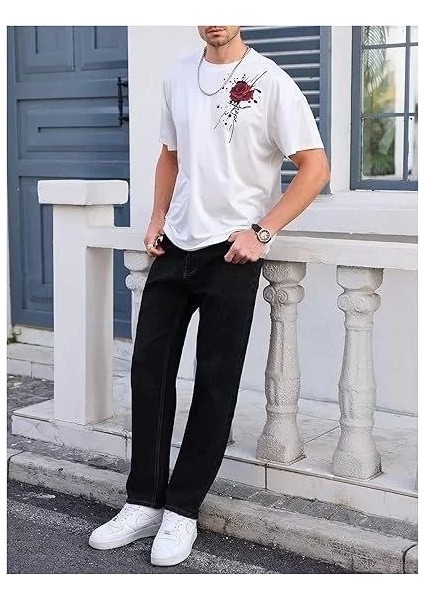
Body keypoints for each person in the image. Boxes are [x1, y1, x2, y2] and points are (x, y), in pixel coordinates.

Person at [89, 25, 330, 567]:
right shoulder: (179, 75)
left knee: (214, 384)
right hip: (175, 245)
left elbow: (315, 168)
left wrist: (263, 231)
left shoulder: (271, 80)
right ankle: (142, 501)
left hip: (232, 253)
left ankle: (182, 510)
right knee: (149, 372)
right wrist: (156, 218)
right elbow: (169, 155)